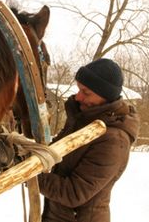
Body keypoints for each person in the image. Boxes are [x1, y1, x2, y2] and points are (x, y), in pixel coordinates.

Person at [38, 58, 140, 222]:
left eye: (86, 93)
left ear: (105, 96)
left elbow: (74, 193)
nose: (78, 97)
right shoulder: (83, 119)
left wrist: (28, 176)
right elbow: (57, 151)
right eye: (79, 89)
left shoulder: (114, 140)